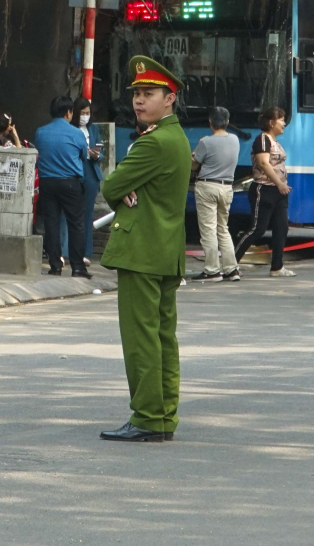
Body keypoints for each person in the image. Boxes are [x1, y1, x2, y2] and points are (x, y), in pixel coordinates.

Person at [98, 56, 192, 443]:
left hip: (142, 252)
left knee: (141, 339)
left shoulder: (153, 143)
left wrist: (123, 190)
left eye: (149, 94)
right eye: (136, 93)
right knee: (162, 338)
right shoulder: (176, 138)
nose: (139, 101)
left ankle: (149, 417)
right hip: (165, 251)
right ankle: (164, 416)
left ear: (169, 99)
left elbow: (110, 186)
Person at [33, 98, 92, 276]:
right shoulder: (76, 134)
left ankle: (55, 266)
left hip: (47, 182)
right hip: (70, 183)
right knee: (76, 224)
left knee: (51, 224)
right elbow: (83, 156)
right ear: (68, 112)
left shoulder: (40, 132)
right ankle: (78, 267)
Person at [190, 107, 241, 282]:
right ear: (227, 122)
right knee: (223, 228)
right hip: (227, 187)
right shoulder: (235, 139)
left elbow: (194, 165)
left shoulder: (206, 142)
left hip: (207, 187)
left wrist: (197, 148)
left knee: (208, 230)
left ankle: (212, 270)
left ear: (210, 122)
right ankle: (231, 269)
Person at [250, 107, 293, 277]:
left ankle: (277, 267)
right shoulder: (262, 139)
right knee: (257, 229)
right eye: (281, 119)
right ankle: (230, 263)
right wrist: (279, 183)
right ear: (271, 122)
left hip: (279, 192)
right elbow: (263, 163)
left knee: (281, 228)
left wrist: (281, 186)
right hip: (265, 189)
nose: (283, 123)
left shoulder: (275, 141)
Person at [73, 99, 104, 245]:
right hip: (74, 171)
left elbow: (100, 149)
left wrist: (96, 155)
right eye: (82, 113)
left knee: (87, 214)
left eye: (88, 113)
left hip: (91, 172)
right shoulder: (70, 128)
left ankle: (86, 251)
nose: (85, 116)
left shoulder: (94, 129)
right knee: (72, 212)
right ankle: (68, 250)